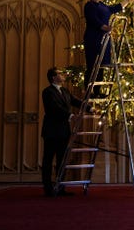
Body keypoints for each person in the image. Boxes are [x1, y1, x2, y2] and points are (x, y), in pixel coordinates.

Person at [82, 0, 134, 87]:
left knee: (101, 65)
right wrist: (105, 27)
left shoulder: (102, 5)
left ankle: (97, 91)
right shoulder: (89, 5)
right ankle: (89, 90)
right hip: (94, 39)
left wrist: (128, 0)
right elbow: (93, 20)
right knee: (93, 65)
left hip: (104, 38)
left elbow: (114, 9)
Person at [41, 67, 82, 197]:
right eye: (59, 73)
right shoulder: (47, 92)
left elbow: (75, 101)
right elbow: (54, 108)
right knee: (48, 160)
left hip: (64, 131)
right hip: (51, 131)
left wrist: (90, 108)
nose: (63, 75)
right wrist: (70, 116)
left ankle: (60, 187)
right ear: (53, 77)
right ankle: (48, 188)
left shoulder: (65, 91)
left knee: (62, 160)